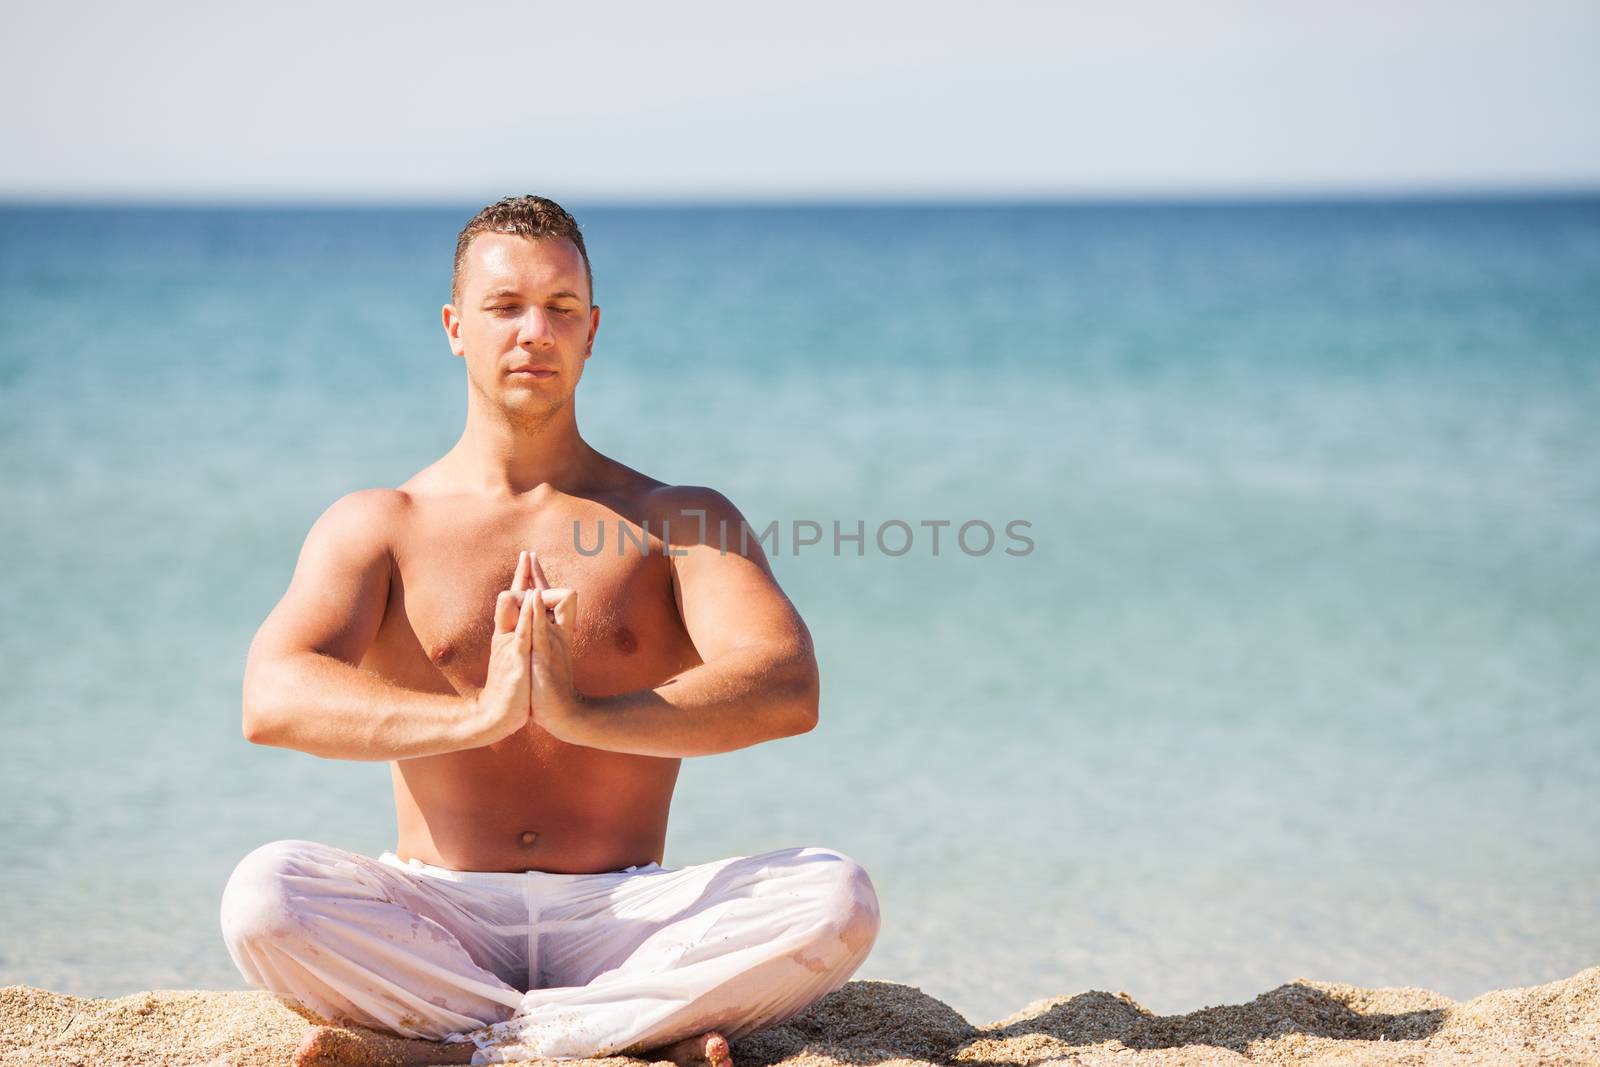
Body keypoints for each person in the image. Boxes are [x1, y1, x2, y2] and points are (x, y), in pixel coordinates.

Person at [219, 195, 880, 1067]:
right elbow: (271, 696)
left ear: (593, 330)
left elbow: (787, 684)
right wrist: (480, 714)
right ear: (456, 327)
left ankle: (457, 1049)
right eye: (505, 308)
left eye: (561, 308)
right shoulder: (381, 522)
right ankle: (616, 1037)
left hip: (626, 917)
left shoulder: (678, 517)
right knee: (265, 895)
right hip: (436, 909)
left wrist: (583, 714)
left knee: (838, 895)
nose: (535, 330)